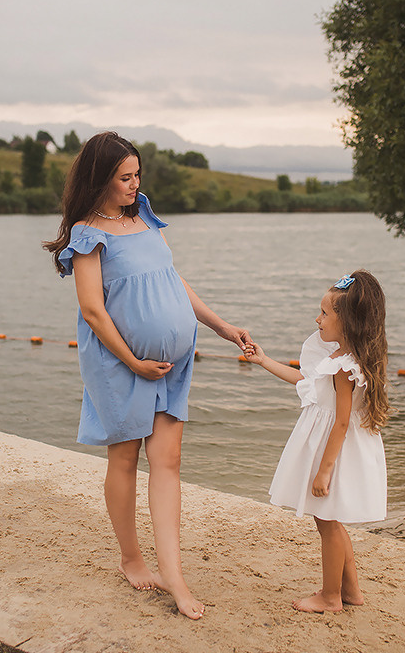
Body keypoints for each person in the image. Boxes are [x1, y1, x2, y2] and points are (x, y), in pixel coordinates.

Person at [44, 132, 252, 620]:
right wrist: (134, 361)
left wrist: (221, 326)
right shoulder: (86, 233)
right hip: (119, 362)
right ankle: (131, 558)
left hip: (173, 365)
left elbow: (171, 279)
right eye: (124, 177)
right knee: (124, 458)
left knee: (169, 460)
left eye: (137, 174)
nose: (134, 184)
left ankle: (174, 576)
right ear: (100, 178)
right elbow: (93, 311)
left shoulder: (145, 217)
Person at [243, 270, 389, 613]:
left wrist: (324, 472)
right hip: (335, 446)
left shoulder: (343, 367)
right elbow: (306, 383)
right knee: (331, 518)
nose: (318, 319)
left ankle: (330, 596)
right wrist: (264, 361)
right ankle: (351, 590)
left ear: (348, 321)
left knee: (327, 522)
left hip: (334, 451)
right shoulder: (343, 358)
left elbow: (340, 422)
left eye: (325, 313)